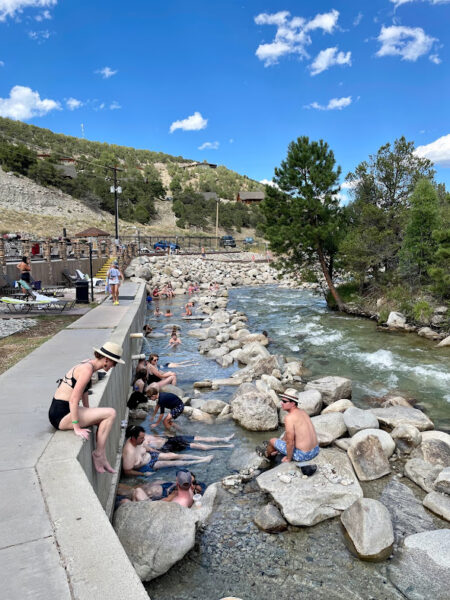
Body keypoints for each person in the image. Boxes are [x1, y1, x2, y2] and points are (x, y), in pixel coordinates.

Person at [48, 341, 125, 473]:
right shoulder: (87, 370)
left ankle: (102, 455)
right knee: (111, 413)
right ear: (107, 359)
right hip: (61, 415)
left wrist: (89, 410)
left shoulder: (88, 364)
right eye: (114, 362)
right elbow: (73, 400)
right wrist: (77, 427)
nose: (114, 366)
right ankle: (99, 454)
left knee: (103, 418)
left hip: (60, 410)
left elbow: (83, 391)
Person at [122, 426, 213, 476]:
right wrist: (143, 474)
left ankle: (201, 457)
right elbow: (127, 471)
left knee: (172, 455)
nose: (143, 439)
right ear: (133, 438)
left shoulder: (138, 442)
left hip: (150, 455)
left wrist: (159, 452)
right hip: (146, 466)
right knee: (172, 463)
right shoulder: (129, 453)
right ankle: (201, 461)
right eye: (141, 438)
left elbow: (147, 448)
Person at [262, 393, 319, 463]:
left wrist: (288, 458)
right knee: (286, 435)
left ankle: (267, 456)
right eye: (282, 400)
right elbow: (290, 434)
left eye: (285, 401)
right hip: (315, 450)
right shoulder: (302, 412)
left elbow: (290, 442)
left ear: (293, 403)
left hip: (304, 455)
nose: (282, 403)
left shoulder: (290, 418)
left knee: (272, 440)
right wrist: (281, 443)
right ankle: (276, 449)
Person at [141, 428, 234, 452]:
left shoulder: (145, 434)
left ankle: (225, 439)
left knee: (198, 438)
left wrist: (166, 435)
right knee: (195, 445)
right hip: (168, 446)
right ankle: (225, 446)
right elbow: (152, 450)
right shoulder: (143, 442)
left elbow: (157, 435)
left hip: (170, 439)